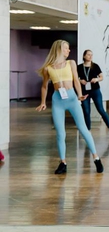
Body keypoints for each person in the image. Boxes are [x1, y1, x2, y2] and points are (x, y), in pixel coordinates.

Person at [36, 40, 103, 174]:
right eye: (66, 48)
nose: (69, 50)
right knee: (60, 133)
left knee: (83, 129)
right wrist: (43, 102)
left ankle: (96, 158)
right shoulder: (48, 68)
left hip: (72, 99)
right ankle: (63, 162)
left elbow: (76, 80)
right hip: (58, 101)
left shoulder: (71, 63)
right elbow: (44, 86)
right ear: (59, 50)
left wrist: (80, 95)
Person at [77, 49, 109, 139]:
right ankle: (88, 131)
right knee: (86, 111)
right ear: (84, 56)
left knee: (100, 109)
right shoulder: (79, 67)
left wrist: (96, 79)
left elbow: (101, 77)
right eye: (88, 54)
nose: (90, 56)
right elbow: (75, 78)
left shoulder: (95, 66)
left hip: (95, 90)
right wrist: (80, 80)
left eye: (91, 55)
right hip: (84, 91)